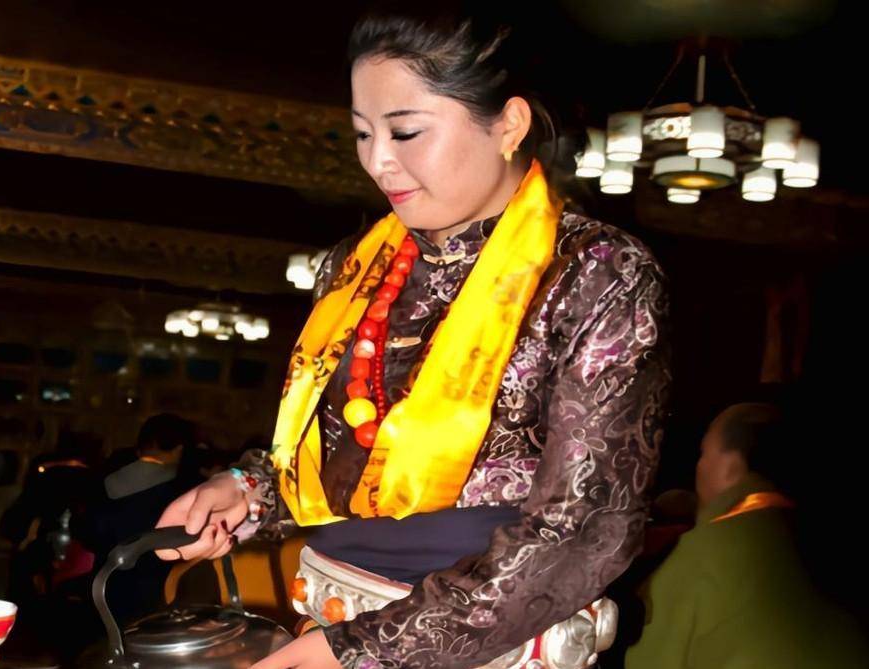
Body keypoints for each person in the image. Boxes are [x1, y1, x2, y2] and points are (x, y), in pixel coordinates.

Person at [155, 5, 671, 668]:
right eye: (362, 133)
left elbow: (585, 528)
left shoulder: (597, 273)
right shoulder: (353, 267)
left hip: (489, 647)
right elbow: (351, 457)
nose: (378, 161)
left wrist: (365, 650)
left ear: (509, 124)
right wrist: (245, 491)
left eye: (405, 132)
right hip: (325, 617)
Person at [624, 404, 869, 668]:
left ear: (731, 467)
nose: (699, 467)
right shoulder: (819, 538)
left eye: (704, 453)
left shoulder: (706, 552)